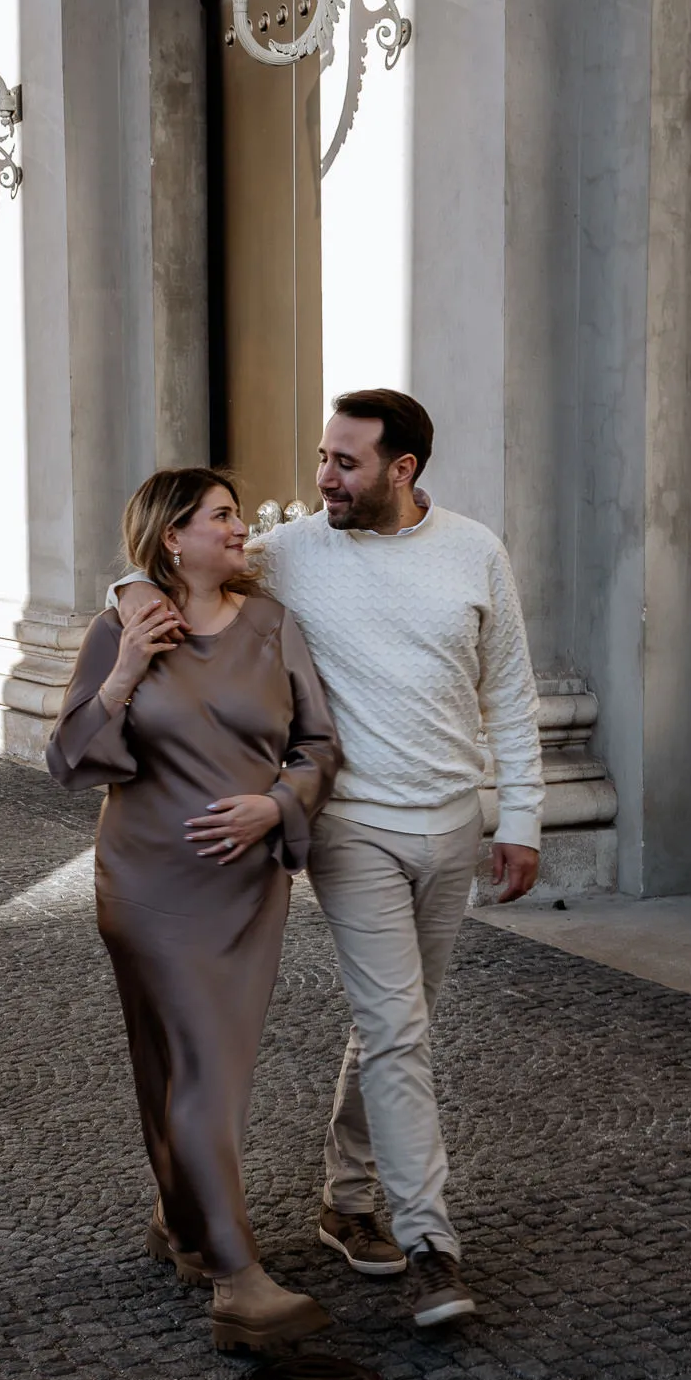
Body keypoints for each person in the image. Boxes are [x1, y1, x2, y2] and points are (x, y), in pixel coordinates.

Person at [116, 392, 544, 1328]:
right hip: (350, 827)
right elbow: (174, 560)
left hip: (451, 824)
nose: (322, 480)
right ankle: (433, 1246)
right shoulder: (293, 552)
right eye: (320, 457)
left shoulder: (475, 551)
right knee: (397, 1030)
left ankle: (346, 1201)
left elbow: (508, 689)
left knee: (401, 1025)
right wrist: (129, 592)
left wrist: (522, 818)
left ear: (404, 470)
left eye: (345, 463)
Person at [47, 468, 341, 1352]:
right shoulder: (121, 628)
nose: (241, 527)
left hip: (248, 887)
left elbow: (319, 743)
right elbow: (67, 756)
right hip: (149, 884)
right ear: (172, 536)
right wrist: (127, 670)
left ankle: (178, 1221)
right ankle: (237, 1281)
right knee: (197, 1069)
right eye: (221, 516)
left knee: (183, 1067)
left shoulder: (270, 624)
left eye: (238, 515)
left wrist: (279, 805)